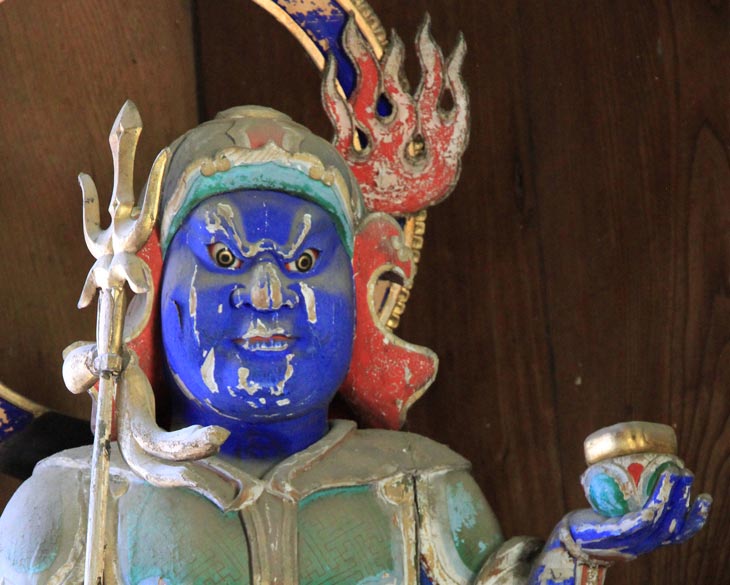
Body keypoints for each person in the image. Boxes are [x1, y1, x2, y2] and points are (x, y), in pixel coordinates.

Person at [0, 104, 711, 585]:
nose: (268, 292)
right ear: (149, 286)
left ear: (361, 293)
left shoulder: (422, 489)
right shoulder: (71, 504)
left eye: (306, 262)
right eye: (225, 257)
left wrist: (580, 550)